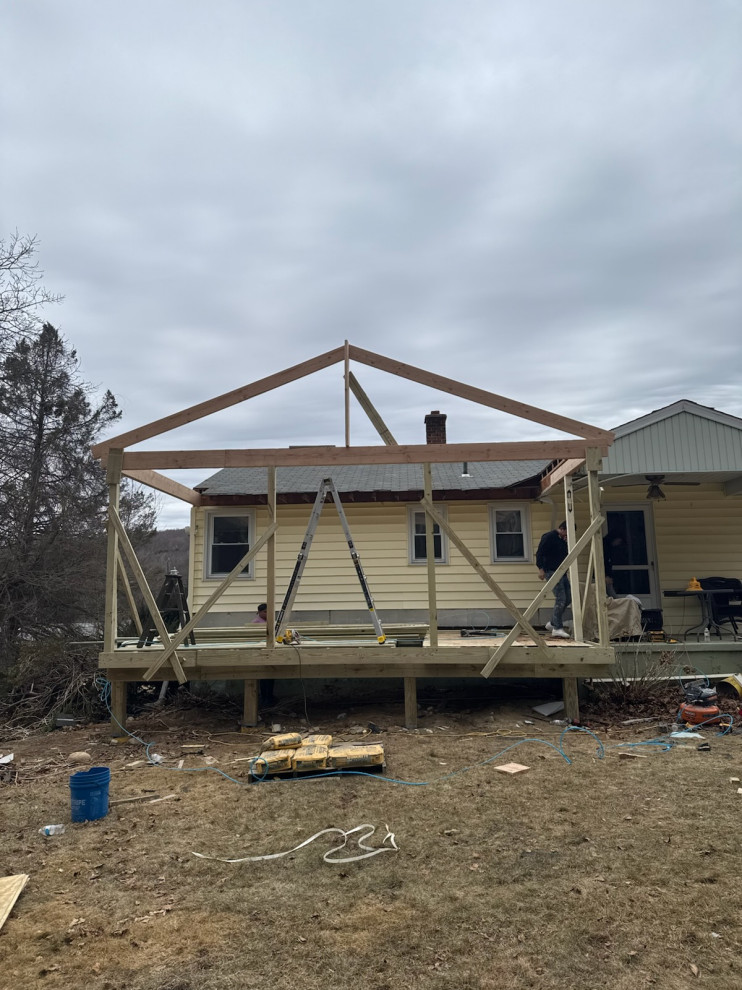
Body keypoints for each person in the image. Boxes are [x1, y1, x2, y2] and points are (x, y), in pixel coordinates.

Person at [536, 521, 571, 638]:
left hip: (562, 572)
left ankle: (552, 623)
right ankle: (557, 628)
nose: (567, 535)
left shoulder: (562, 540)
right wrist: (541, 569)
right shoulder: (549, 537)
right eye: (566, 532)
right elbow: (540, 552)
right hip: (551, 571)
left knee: (568, 598)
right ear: (562, 529)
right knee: (561, 598)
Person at [251, 604, 275, 706]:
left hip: (270, 653)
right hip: (260, 653)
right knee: (263, 678)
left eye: (268, 612)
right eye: (265, 612)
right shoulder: (256, 623)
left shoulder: (271, 622)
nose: (267, 614)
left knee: (271, 677)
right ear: (259, 612)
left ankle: (269, 697)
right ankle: (264, 698)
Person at [603, 532, 624, 598]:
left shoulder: (610, 548)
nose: (618, 544)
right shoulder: (604, 548)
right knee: (612, 595)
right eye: (618, 541)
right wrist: (605, 576)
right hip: (603, 576)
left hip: (607, 575)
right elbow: (604, 562)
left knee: (610, 594)